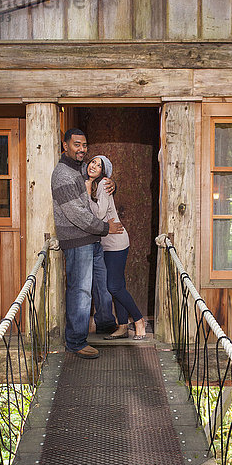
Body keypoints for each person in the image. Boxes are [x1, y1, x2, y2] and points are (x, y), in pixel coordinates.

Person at [51, 131, 124, 359]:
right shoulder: (63, 174)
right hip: (77, 240)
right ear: (65, 145)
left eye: (84, 145)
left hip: (92, 240)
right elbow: (76, 214)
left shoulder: (78, 169)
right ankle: (76, 342)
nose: (81, 149)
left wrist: (111, 182)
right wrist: (105, 228)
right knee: (80, 291)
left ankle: (104, 323)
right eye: (76, 144)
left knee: (100, 286)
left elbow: (96, 176)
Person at [85, 155, 146, 340]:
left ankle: (138, 320)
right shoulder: (97, 184)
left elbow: (100, 213)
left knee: (113, 287)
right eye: (93, 162)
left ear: (104, 172)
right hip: (108, 243)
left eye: (99, 165)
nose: (94, 166)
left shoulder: (103, 184)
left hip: (116, 243)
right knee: (118, 285)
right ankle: (122, 326)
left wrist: (88, 195)